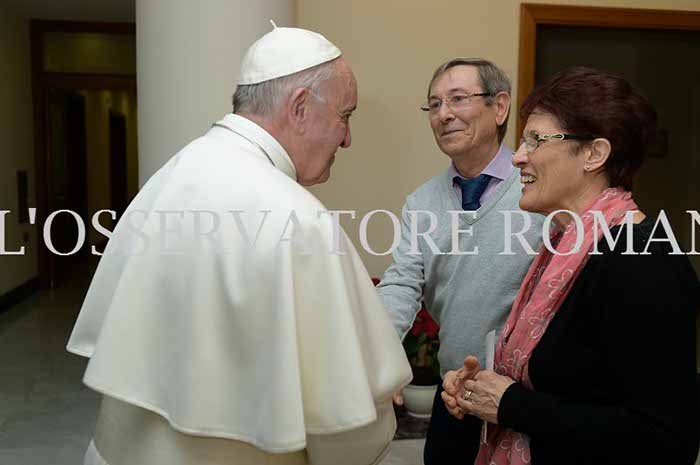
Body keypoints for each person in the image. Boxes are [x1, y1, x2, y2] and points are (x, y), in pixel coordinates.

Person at [66, 25, 411, 465]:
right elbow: (345, 432)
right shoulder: (298, 219)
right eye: (345, 115)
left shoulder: (171, 174)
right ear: (300, 108)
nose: (347, 138)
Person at [442, 67, 700, 465]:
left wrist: (512, 405)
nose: (518, 157)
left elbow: (665, 439)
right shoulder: (563, 247)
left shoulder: (643, 259)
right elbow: (570, 384)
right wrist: (482, 390)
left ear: (594, 154)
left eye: (535, 140)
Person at [376, 58, 544, 465]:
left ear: (499, 107)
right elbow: (401, 284)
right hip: (455, 396)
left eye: (458, 99)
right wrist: (376, 356)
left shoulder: (540, 191)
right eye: (434, 104)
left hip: (527, 402)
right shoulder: (421, 202)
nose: (444, 114)